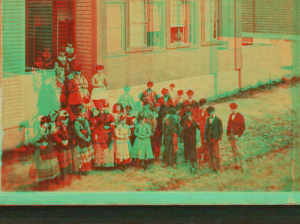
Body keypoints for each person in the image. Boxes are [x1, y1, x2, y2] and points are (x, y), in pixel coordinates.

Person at [32, 116, 60, 190]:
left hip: (49, 150)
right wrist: (40, 145)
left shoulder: (48, 129)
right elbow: (34, 141)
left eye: (46, 122)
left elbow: (51, 137)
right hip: (41, 152)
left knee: (51, 164)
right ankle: (43, 183)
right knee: (43, 167)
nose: (45, 124)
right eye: (43, 123)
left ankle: (51, 180)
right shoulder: (38, 131)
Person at [52, 111, 73, 185]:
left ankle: (66, 176)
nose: (65, 120)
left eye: (66, 118)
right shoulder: (56, 126)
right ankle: (61, 177)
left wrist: (67, 140)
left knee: (66, 162)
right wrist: (61, 142)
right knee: (61, 162)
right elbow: (55, 136)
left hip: (66, 145)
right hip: (60, 147)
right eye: (63, 118)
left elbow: (67, 134)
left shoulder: (64, 126)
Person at [74, 106, 93, 179]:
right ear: (79, 112)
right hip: (80, 141)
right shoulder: (77, 121)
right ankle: (79, 173)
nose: (84, 113)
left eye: (84, 111)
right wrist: (84, 138)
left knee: (84, 157)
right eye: (82, 111)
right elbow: (78, 132)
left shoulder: (85, 120)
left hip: (86, 139)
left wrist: (88, 137)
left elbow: (88, 129)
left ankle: (83, 170)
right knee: (79, 157)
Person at [204, 106, 223, 173]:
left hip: (215, 139)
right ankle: (213, 168)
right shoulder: (207, 119)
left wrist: (219, 139)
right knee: (210, 154)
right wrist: (205, 138)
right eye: (209, 112)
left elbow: (221, 131)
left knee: (216, 154)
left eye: (212, 111)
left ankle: (218, 167)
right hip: (209, 139)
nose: (210, 113)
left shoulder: (218, 120)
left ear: (214, 111)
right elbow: (205, 129)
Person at [227, 102, 246, 171]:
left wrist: (239, 135)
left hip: (237, 136)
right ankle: (236, 165)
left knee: (239, 151)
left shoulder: (240, 116)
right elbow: (228, 125)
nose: (233, 110)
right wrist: (228, 134)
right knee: (233, 151)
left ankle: (242, 165)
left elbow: (243, 127)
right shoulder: (230, 115)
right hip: (232, 136)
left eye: (234, 109)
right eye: (231, 109)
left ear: (236, 108)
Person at [181, 107, 200, 173]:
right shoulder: (184, 119)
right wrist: (182, 139)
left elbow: (197, 126)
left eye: (189, 112)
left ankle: (194, 165)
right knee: (188, 151)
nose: (188, 113)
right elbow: (183, 129)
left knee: (193, 151)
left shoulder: (193, 118)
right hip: (186, 138)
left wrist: (191, 120)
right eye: (187, 112)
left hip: (192, 138)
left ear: (191, 112)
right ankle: (190, 166)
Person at [196, 98, 209, 167]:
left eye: (203, 105)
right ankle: (202, 157)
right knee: (201, 145)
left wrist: (201, 124)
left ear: (205, 105)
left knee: (206, 144)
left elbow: (206, 123)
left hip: (205, 131)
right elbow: (198, 120)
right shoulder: (199, 112)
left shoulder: (207, 112)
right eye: (201, 105)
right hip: (200, 131)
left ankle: (207, 158)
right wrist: (199, 123)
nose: (202, 106)